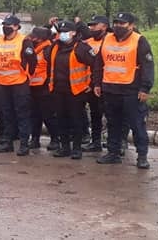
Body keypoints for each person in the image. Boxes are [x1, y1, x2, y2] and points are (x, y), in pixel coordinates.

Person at [94, 12, 155, 169]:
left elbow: (148, 66)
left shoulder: (139, 40)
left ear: (131, 25)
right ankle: (113, 153)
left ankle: (142, 156)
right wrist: (97, 83)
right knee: (113, 124)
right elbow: (99, 62)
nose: (118, 26)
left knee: (137, 124)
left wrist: (145, 88)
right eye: (116, 23)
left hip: (131, 90)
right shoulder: (107, 38)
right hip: (110, 88)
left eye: (123, 23)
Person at [48, 20, 96, 160]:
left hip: (76, 91)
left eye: (65, 32)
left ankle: (76, 148)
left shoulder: (82, 48)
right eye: (60, 32)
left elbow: (95, 65)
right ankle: (64, 147)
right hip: (57, 89)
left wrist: (91, 84)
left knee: (76, 120)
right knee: (61, 119)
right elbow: (49, 66)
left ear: (74, 33)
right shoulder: (54, 47)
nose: (62, 35)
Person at [0, 15, 37, 156]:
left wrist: (27, 75)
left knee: (22, 114)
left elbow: (32, 60)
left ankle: (24, 144)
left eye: (10, 25)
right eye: (5, 24)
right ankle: (8, 142)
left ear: (17, 26)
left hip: (19, 83)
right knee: (7, 114)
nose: (6, 27)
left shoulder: (24, 41)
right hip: (2, 83)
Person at [27, 27, 60, 151]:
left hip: (45, 87)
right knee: (34, 116)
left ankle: (55, 139)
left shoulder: (48, 49)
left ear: (41, 38)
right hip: (33, 87)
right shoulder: (34, 49)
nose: (32, 39)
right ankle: (35, 139)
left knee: (48, 115)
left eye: (34, 37)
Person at [81, 15, 109, 153]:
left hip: (110, 83)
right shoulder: (87, 42)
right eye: (90, 25)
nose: (91, 28)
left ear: (104, 26)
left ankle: (118, 143)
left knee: (112, 115)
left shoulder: (111, 41)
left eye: (95, 25)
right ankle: (95, 141)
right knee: (95, 114)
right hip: (91, 84)